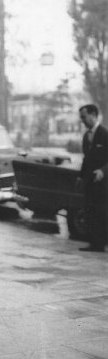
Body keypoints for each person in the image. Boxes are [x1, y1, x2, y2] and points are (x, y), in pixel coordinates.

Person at [77, 104, 108, 252]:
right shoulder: (86, 136)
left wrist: (103, 171)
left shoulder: (104, 133)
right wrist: (80, 176)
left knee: (101, 212)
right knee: (90, 211)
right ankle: (94, 243)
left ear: (93, 115)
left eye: (84, 117)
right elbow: (86, 159)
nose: (82, 120)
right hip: (89, 181)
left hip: (103, 182)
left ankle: (101, 244)